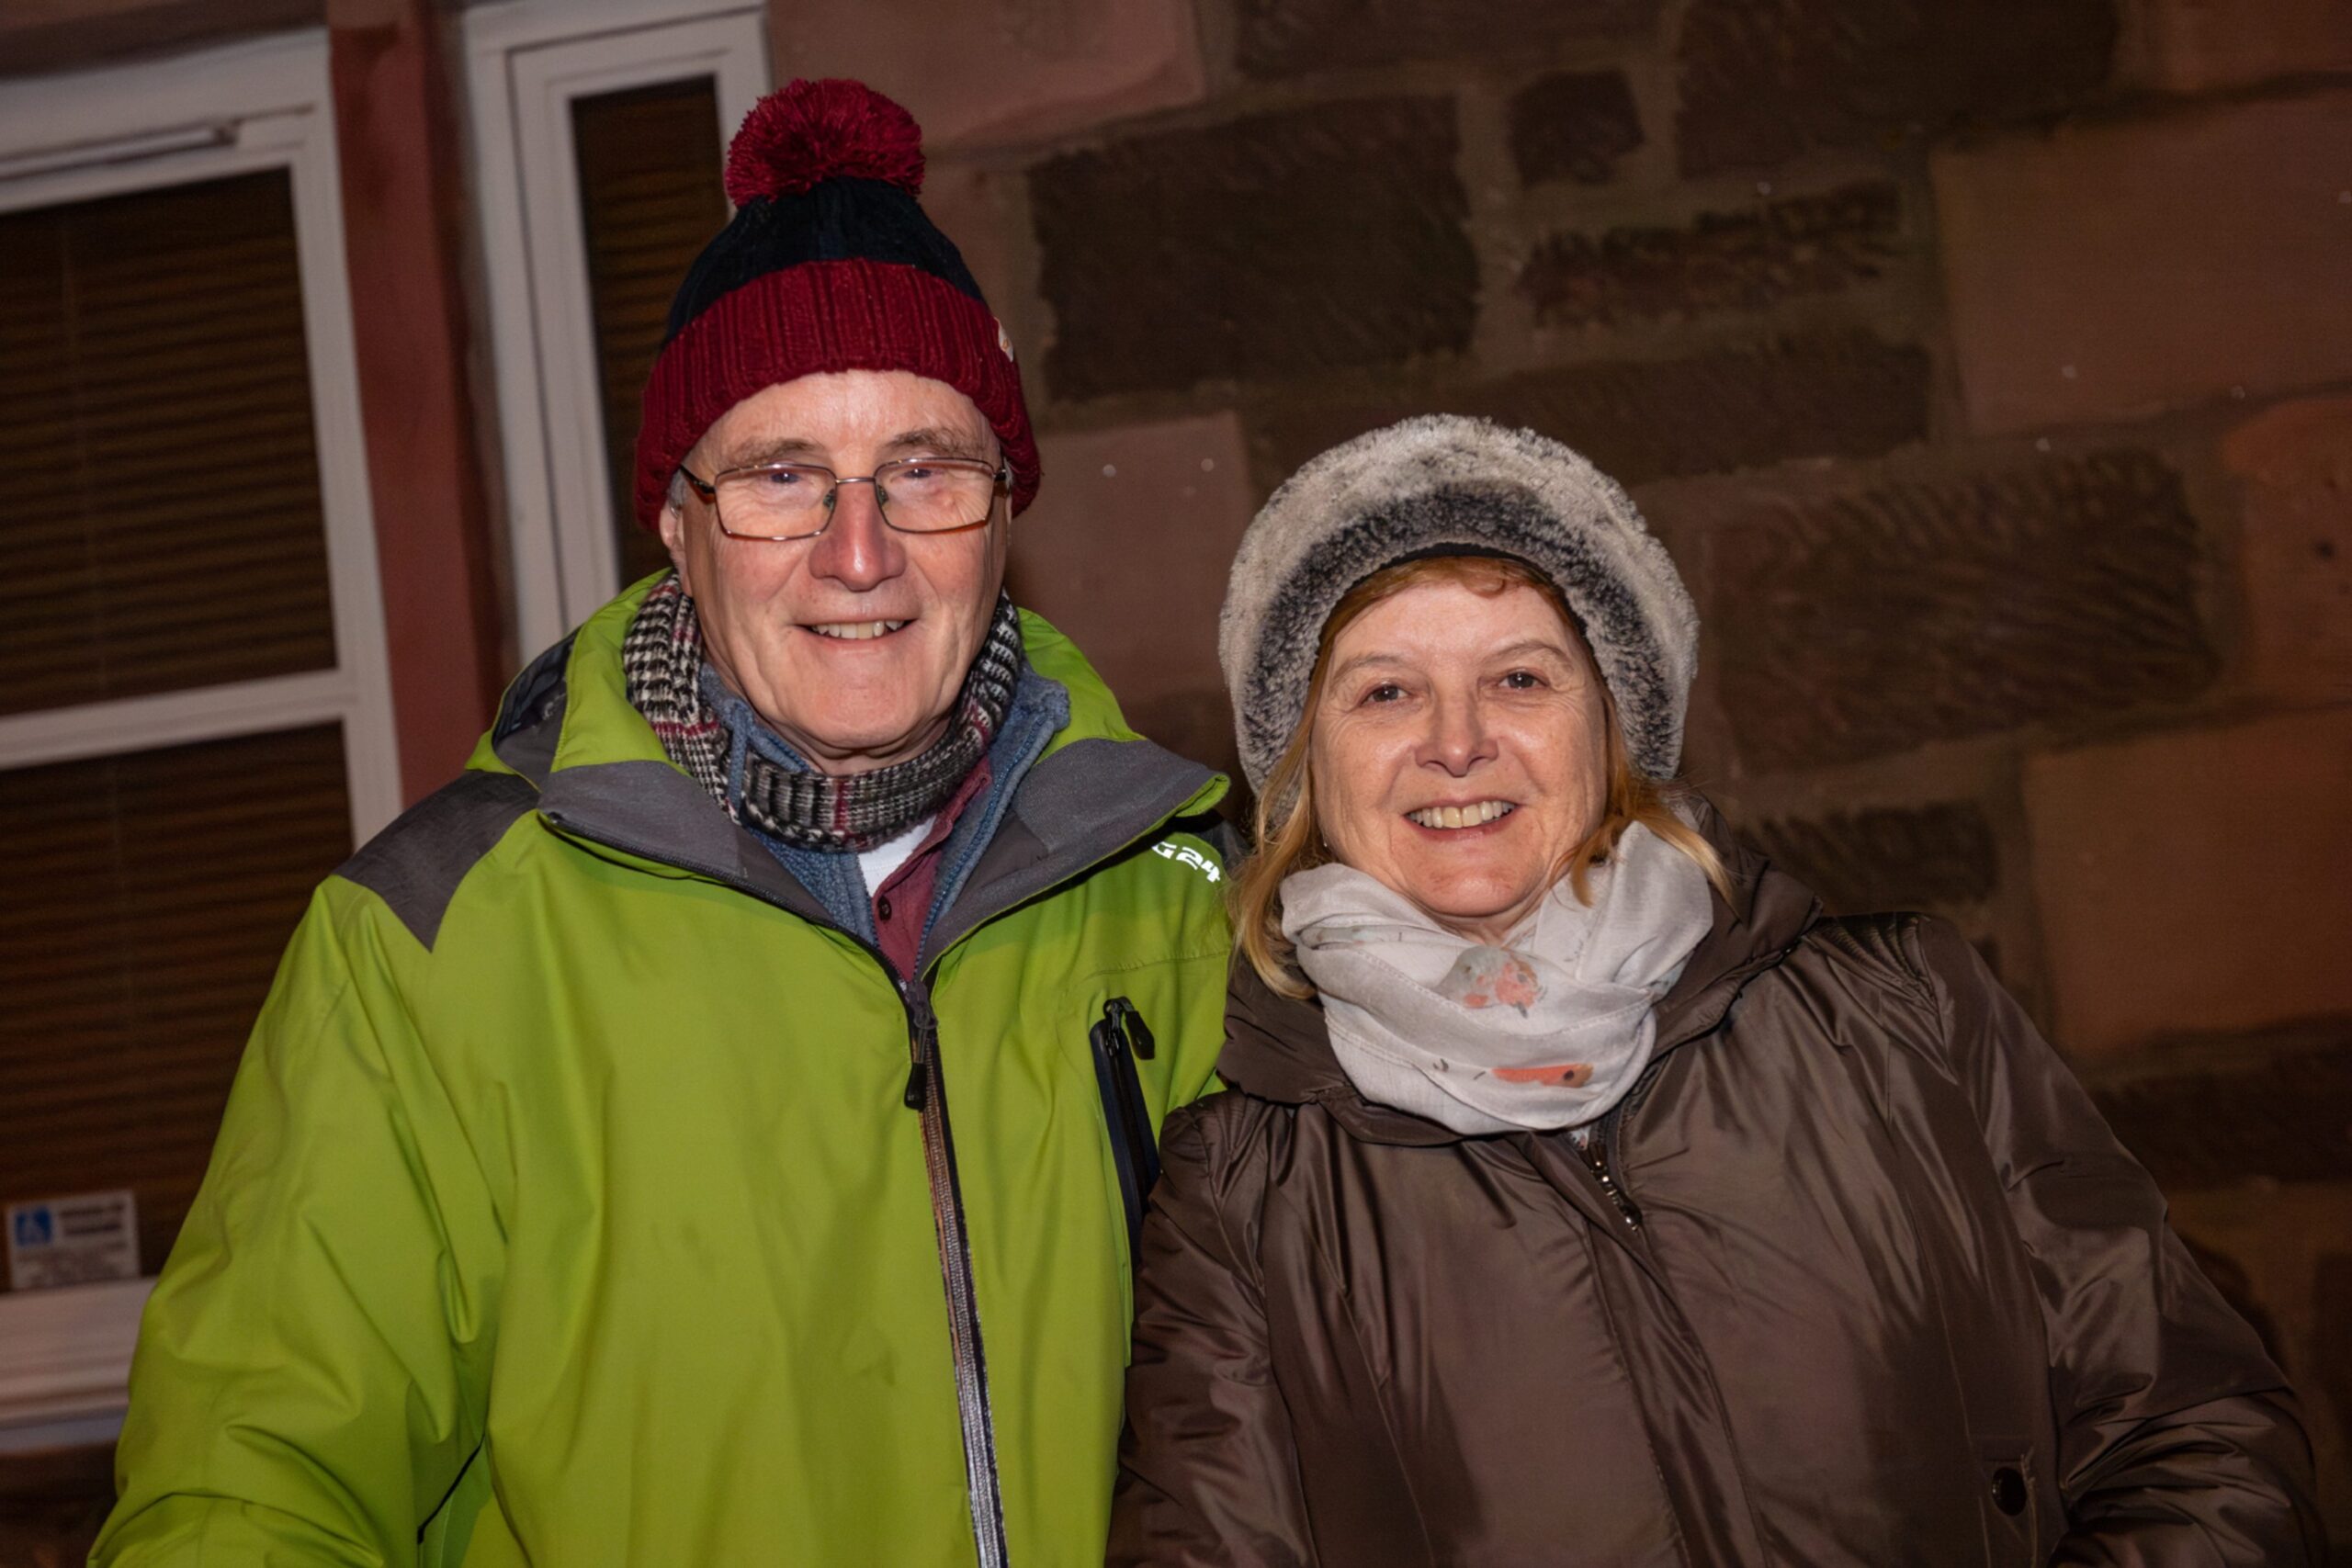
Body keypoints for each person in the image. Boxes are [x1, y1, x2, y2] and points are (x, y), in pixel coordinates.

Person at [95, 80, 1231, 1566]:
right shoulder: (436, 942)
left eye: (924, 469)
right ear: (680, 525)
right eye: (781, 479)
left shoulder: (1187, 893)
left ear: (1005, 506)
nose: (861, 551)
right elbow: (246, 1492)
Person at [1110, 414, 2322, 1566]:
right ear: (1308, 766)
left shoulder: (1905, 1014)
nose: (1458, 739)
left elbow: (2202, 1438)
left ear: (1617, 720)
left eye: (1522, 678)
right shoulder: (1244, 1189)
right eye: (1384, 691)